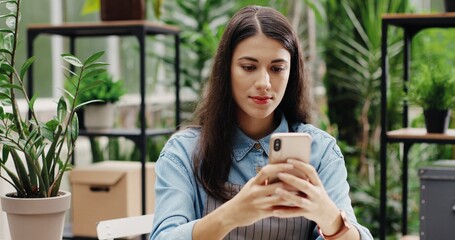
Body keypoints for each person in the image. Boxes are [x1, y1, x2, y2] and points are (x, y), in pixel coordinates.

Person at [150, 5, 373, 240]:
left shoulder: (321, 151)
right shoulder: (184, 152)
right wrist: (232, 214)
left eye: (277, 68)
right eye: (249, 67)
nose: (264, 82)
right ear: (226, 69)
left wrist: (328, 216)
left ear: (292, 71)